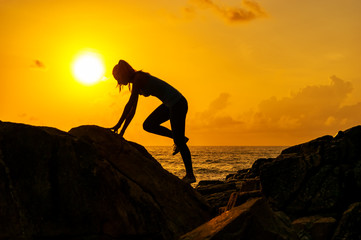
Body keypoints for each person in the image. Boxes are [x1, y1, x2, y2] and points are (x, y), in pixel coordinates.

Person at [110, 60, 196, 184]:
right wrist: (121, 131)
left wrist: (118, 125)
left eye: (117, 77)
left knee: (179, 141)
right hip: (169, 104)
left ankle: (190, 175)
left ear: (122, 73)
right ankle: (180, 138)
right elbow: (132, 111)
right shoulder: (135, 82)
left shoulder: (138, 78)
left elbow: (129, 105)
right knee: (148, 125)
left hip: (178, 103)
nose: (118, 82)